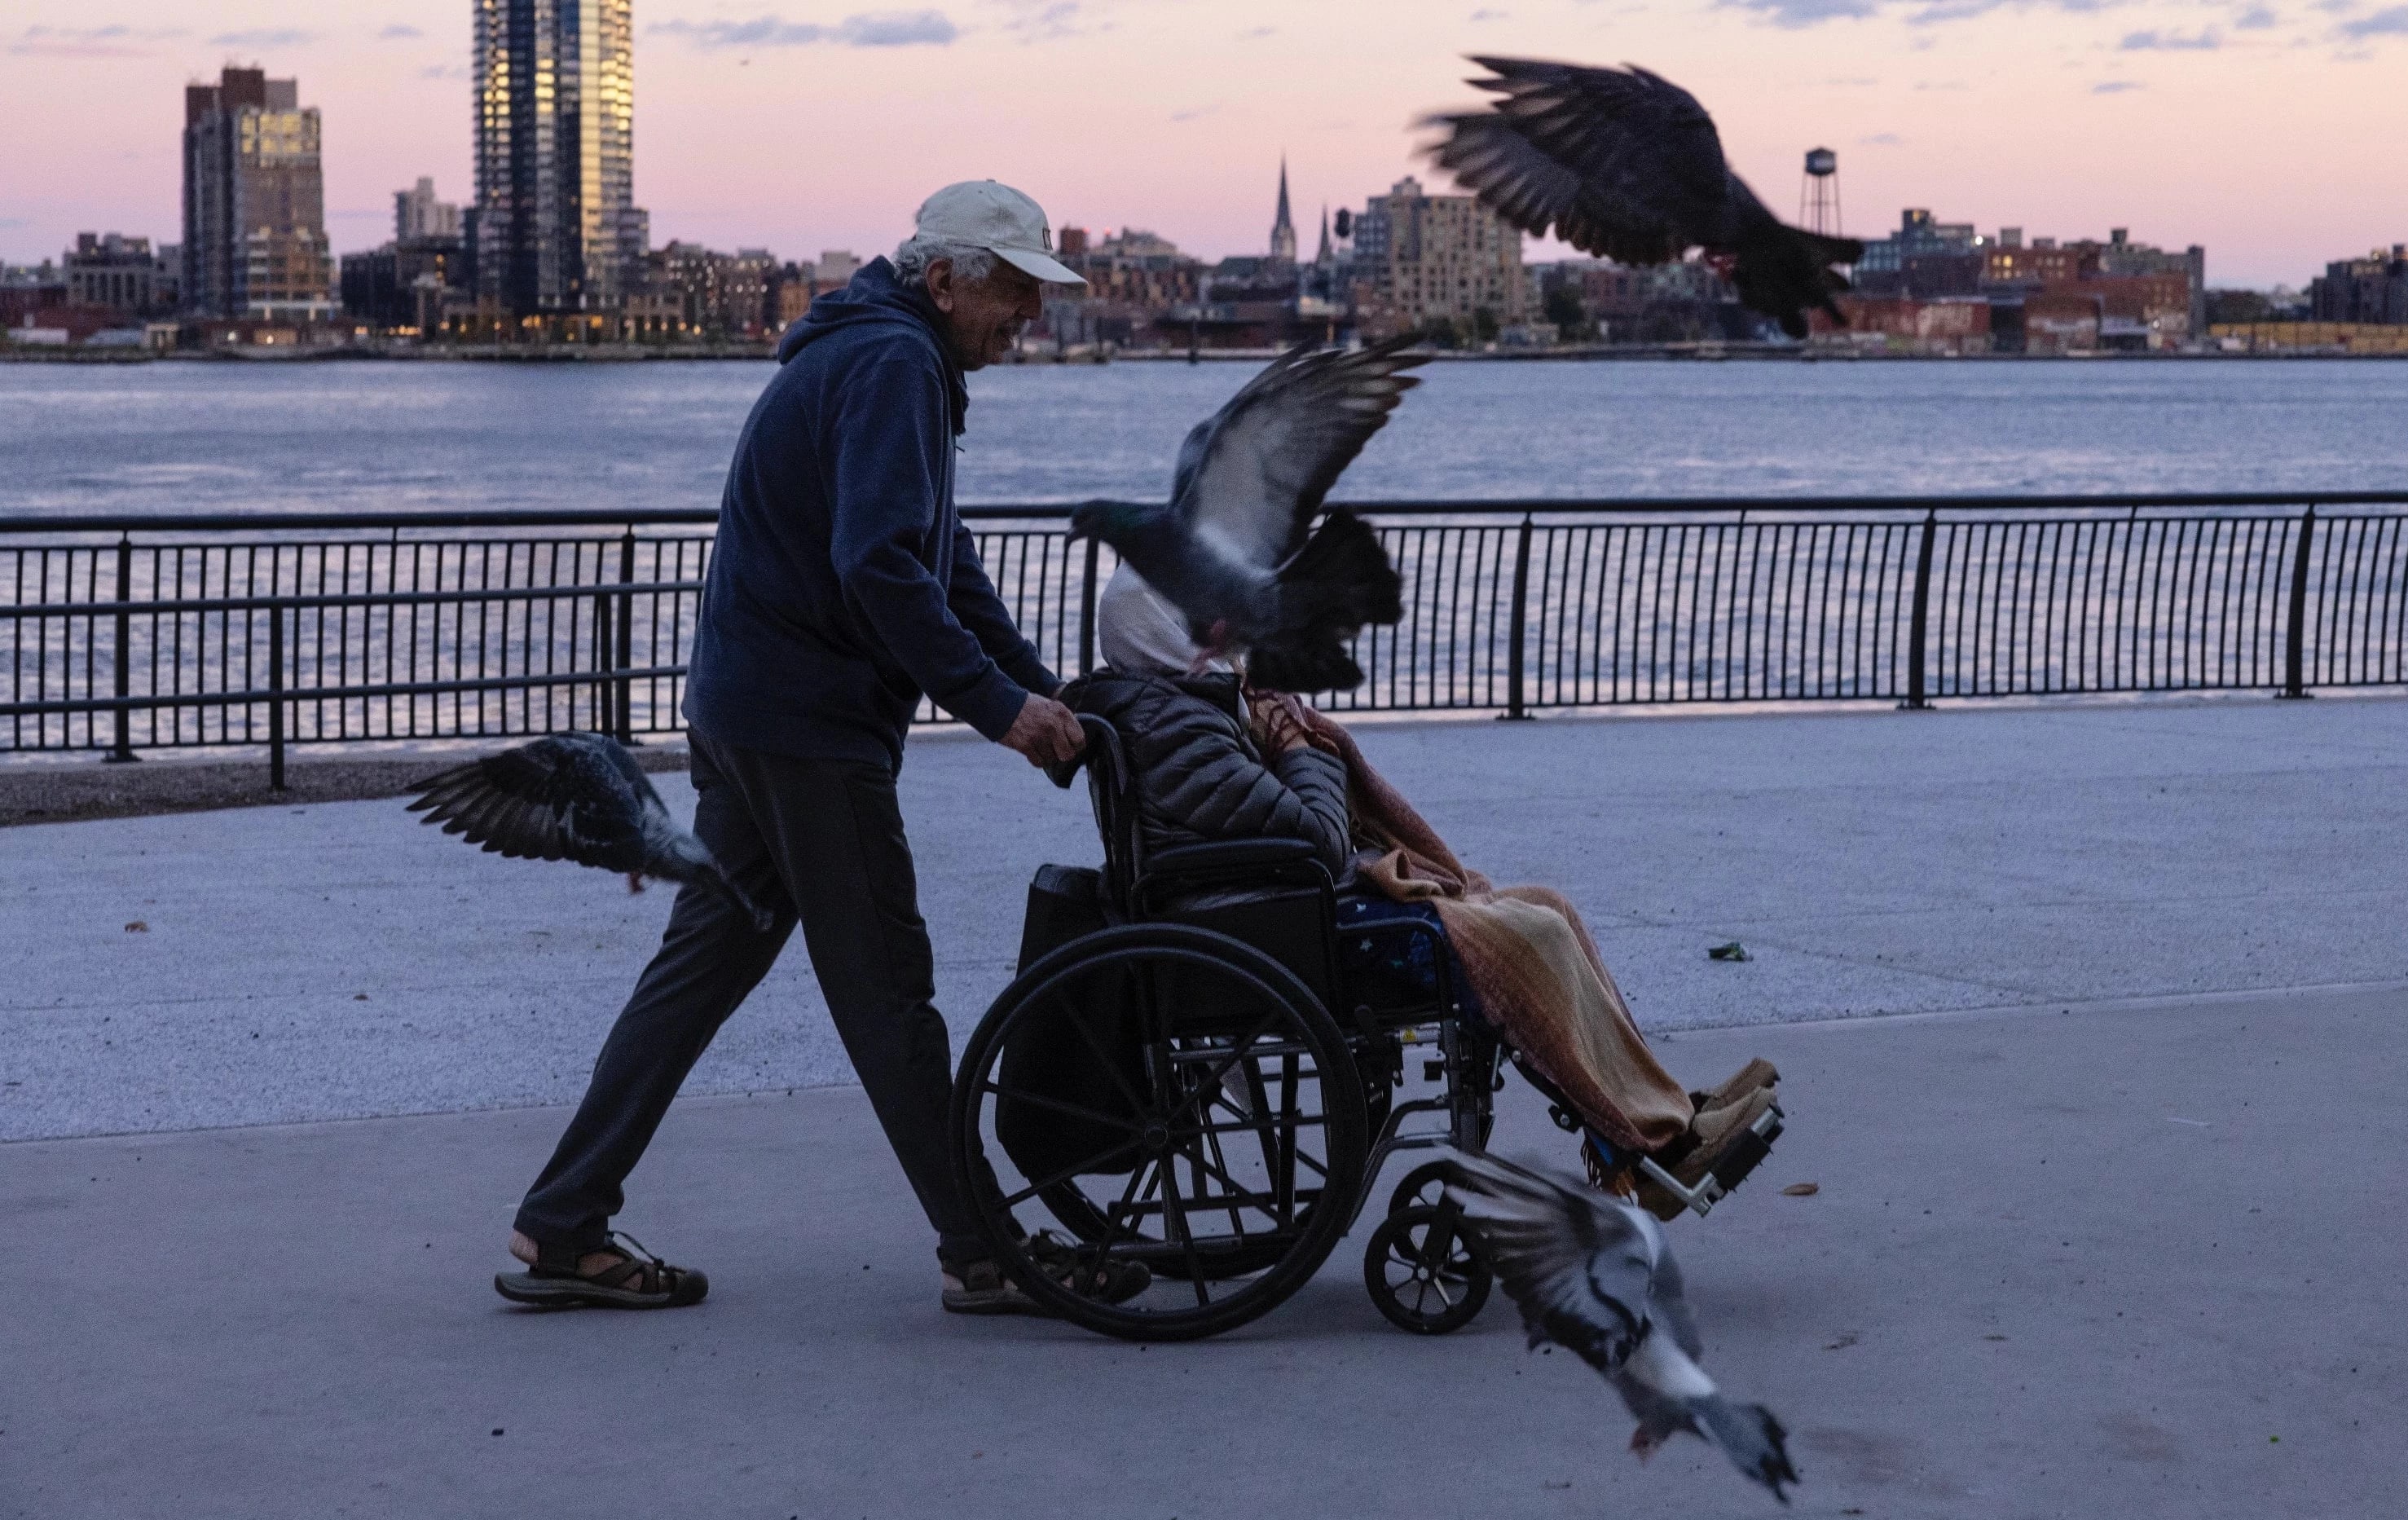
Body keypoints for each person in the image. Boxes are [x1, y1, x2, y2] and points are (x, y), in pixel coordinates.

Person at [496, 182, 1144, 1315]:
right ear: (945, 281)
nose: (1029, 318)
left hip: (747, 710)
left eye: (1040, 295)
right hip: (807, 728)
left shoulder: (882, 357)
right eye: (1014, 292)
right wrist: (1001, 709)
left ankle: (562, 1222)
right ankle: (986, 1251)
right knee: (888, 991)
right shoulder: (894, 366)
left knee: (700, 970)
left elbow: (944, 562)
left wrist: (1037, 687)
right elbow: (882, 568)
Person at [1062, 568, 1780, 1216]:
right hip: (1272, 929)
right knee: (1535, 935)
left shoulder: (1185, 709)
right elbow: (1319, 836)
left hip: (1279, 910)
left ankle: (1664, 1115)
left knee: (1548, 905)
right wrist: (1298, 746)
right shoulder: (1180, 727)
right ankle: (1642, 1144)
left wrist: (1285, 738)